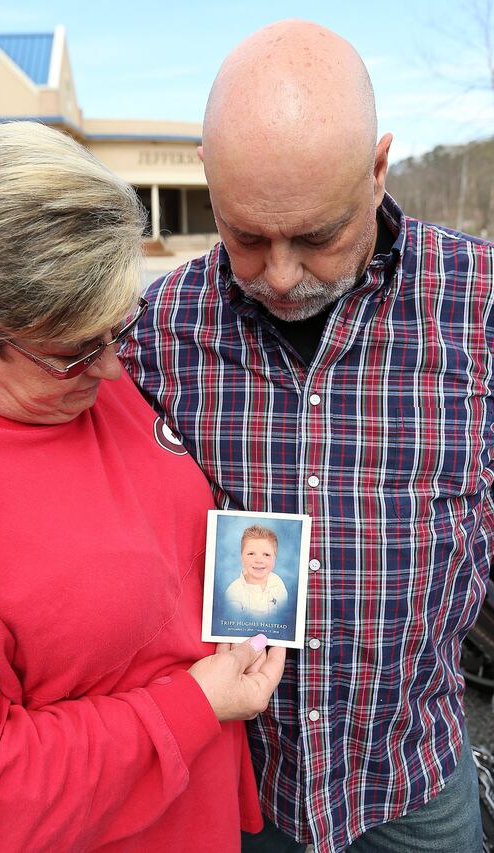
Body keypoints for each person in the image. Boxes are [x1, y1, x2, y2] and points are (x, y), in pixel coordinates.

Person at [120, 19, 493, 853]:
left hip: (412, 780)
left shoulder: (481, 305)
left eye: (318, 236)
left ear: (377, 170)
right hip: (243, 788)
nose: (281, 277)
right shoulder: (152, 331)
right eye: (246, 236)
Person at [0, 121, 286, 853]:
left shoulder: (85, 384)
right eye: (75, 353)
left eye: (119, 329)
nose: (112, 372)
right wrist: (195, 703)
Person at [226, 525, 288, 616]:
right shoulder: (234, 592)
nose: (259, 560)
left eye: (266, 555)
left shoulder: (278, 583)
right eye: (251, 554)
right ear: (241, 558)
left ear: (275, 558)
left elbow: (284, 616)